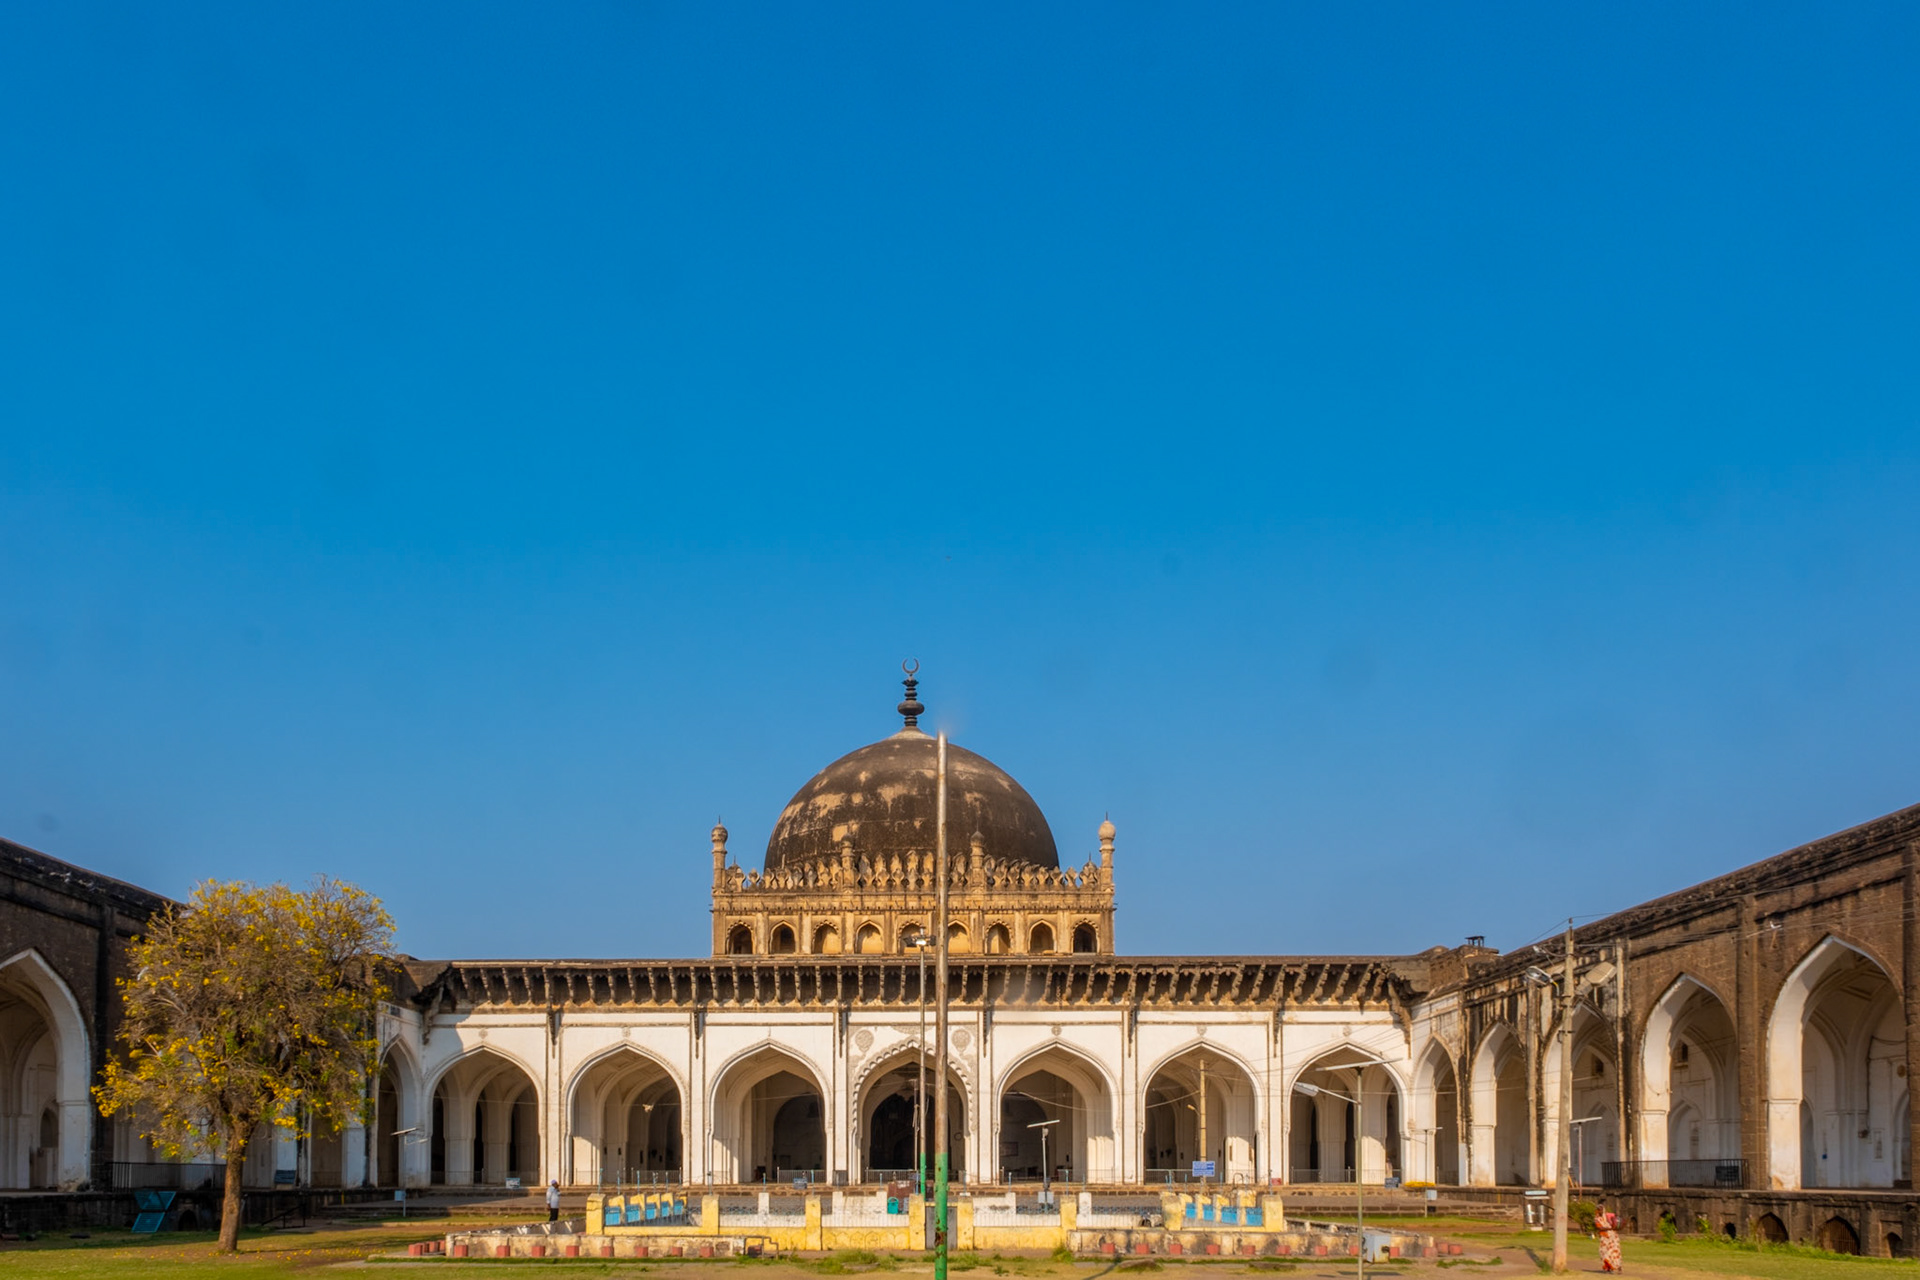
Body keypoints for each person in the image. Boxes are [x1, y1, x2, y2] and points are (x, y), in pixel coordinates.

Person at [1595, 1201, 1622, 1273]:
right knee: (1604, 1252)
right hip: (1604, 1237)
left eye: (1601, 1209)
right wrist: (1609, 1228)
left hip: (1613, 1237)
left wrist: (1615, 1225)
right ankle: (1609, 1267)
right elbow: (1600, 1228)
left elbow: (1616, 1220)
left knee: (1614, 1252)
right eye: (1599, 1210)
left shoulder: (1607, 1216)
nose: (1600, 1211)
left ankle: (1617, 1266)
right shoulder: (1597, 1219)